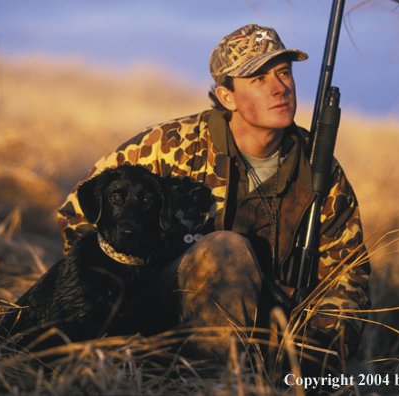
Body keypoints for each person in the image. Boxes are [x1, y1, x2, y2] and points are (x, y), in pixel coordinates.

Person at [57, 23, 370, 373]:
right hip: (159, 320)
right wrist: (121, 312)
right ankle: (212, 383)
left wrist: (314, 357)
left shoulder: (319, 167)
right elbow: (78, 214)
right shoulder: (170, 146)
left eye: (284, 72)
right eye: (258, 78)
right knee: (225, 249)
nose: (280, 87)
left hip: (274, 330)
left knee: (364, 380)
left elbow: (348, 275)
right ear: (227, 97)